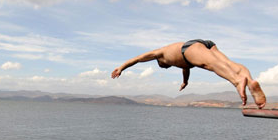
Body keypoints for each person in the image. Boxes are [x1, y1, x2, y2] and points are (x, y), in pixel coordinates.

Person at [111, 39, 266, 108]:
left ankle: (237, 81)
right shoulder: (180, 63)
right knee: (228, 64)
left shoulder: (159, 53)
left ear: (160, 62)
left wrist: (121, 68)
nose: (166, 67)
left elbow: (138, 59)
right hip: (205, 44)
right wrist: (185, 82)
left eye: (163, 66)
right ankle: (250, 82)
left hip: (190, 48)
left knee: (212, 65)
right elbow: (185, 69)